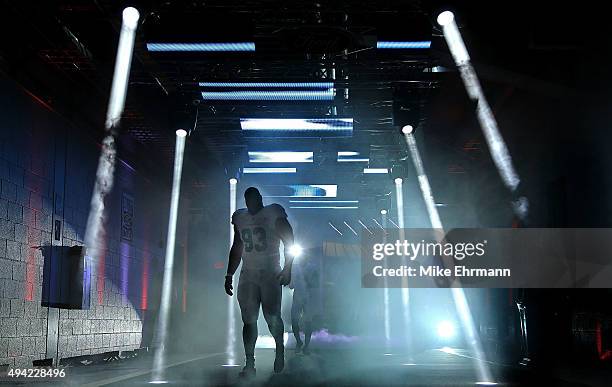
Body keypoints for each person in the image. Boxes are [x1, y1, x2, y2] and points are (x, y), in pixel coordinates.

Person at [224, 187, 296, 377]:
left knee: (272, 317)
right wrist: (229, 274)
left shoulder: (273, 213)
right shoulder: (240, 217)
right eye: (248, 200)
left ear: (260, 199)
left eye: (254, 199)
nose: (251, 204)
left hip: (270, 273)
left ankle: (279, 347)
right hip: (248, 273)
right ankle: (249, 363)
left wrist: (287, 268)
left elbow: (290, 241)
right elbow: (237, 246)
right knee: (248, 320)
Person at [290, 252, 319, 355]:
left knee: (308, 322)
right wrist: (292, 282)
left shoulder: (312, 267)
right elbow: (291, 285)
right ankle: (299, 342)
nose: (303, 258)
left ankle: (306, 346)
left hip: (308, 298)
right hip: (297, 297)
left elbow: (316, 283)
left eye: (305, 257)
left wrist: (309, 282)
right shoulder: (295, 268)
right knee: (294, 321)